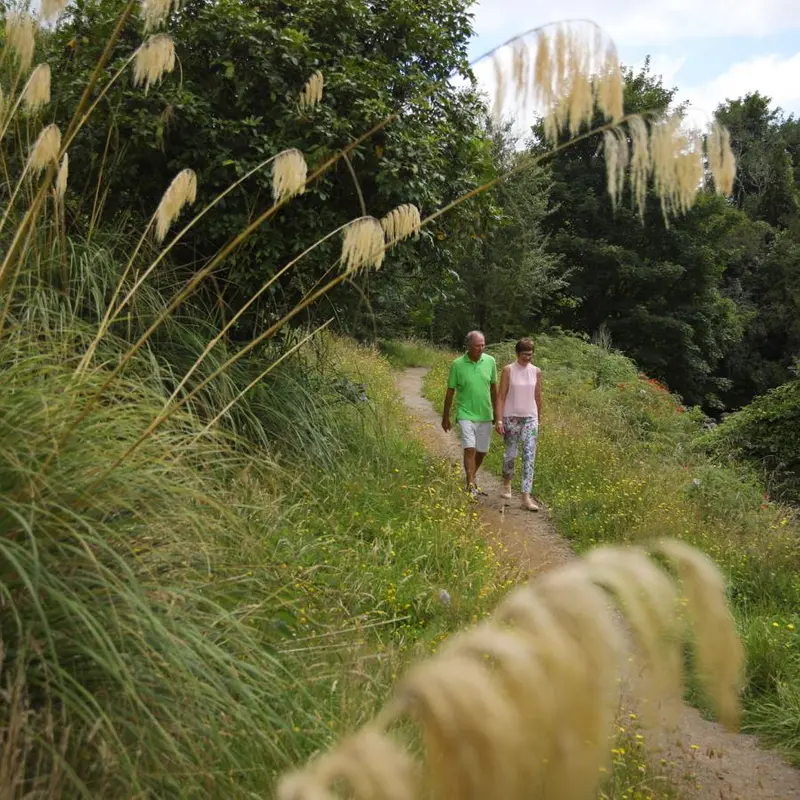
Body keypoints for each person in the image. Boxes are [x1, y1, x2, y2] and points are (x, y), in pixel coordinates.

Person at [441, 330, 499, 499]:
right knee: (470, 449)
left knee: (482, 451)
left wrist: (497, 412)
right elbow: (450, 392)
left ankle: (471, 477)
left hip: (485, 414)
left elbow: (494, 388)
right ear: (468, 346)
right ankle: (470, 485)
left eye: (483, 345)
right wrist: (445, 416)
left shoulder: (490, 362)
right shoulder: (457, 364)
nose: (481, 348)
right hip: (465, 413)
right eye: (477, 346)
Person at [495, 337, 541, 512]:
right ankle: (507, 484)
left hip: (530, 418)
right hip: (511, 417)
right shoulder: (508, 370)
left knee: (529, 456)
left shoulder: (536, 371)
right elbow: (501, 396)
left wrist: (539, 419)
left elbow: (538, 397)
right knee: (511, 454)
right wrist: (499, 420)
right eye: (524, 355)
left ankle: (526, 497)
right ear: (517, 353)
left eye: (530, 354)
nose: (527, 358)